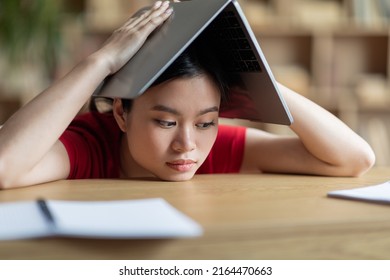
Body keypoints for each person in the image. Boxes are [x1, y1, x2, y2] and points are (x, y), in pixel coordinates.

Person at [0, 1, 375, 189]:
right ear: (121, 113)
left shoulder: (211, 144)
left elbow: (355, 159)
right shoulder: (87, 145)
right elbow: (4, 166)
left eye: (207, 121)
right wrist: (103, 61)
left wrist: (257, 77)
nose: (187, 144)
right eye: (165, 121)